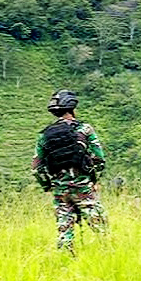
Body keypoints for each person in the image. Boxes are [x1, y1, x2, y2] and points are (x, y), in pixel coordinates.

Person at [32, 89, 106, 254]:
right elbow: (100, 159)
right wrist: (93, 180)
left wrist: (48, 186)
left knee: (64, 231)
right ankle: (106, 257)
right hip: (83, 187)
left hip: (60, 190)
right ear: (73, 107)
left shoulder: (44, 135)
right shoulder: (85, 129)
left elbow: (36, 169)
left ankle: (65, 262)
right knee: (101, 229)